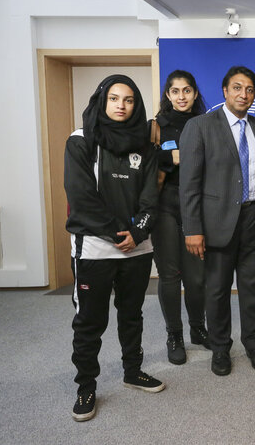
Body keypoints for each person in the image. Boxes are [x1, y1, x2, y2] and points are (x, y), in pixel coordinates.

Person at [65, 74, 164, 422]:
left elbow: (151, 197)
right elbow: (82, 198)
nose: (121, 106)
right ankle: (86, 386)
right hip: (94, 249)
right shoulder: (80, 142)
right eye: (114, 99)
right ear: (102, 101)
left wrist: (137, 234)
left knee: (132, 313)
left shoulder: (146, 146)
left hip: (137, 248)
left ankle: (132, 371)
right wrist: (116, 233)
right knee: (90, 321)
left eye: (129, 100)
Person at [179, 66, 255, 376]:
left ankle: (254, 344)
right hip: (216, 222)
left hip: (254, 216)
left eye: (249, 90)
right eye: (237, 88)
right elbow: (188, 183)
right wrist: (192, 229)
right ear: (224, 91)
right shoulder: (200, 126)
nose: (243, 94)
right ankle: (220, 348)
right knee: (217, 289)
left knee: (252, 287)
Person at [151, 70, 209, 365]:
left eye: (187, 90)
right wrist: (169, 157)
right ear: (168, 95)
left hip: (197, 206)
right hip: (165, 206)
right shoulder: (156, 126)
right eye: (175, 91)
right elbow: (141, 160)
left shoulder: (207, 124)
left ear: (195, 94)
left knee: (197, 278)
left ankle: (198, 329)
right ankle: (175, 334)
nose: (182, 96)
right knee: (170, 276)